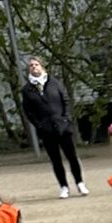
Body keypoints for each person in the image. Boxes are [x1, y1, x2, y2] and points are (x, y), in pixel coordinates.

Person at [20, 55, 87, 198]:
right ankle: (64, 187)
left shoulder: (55, 83)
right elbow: (28, 111)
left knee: (72, 157)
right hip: (46, 130)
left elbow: (65, 101)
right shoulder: (27, 90)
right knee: (56, 160)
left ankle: (80, 183)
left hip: (63, 127)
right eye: (31, 65)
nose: (34, 67)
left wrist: (66, 119)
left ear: (42, 66)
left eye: (36, 64)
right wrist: (39, 125)